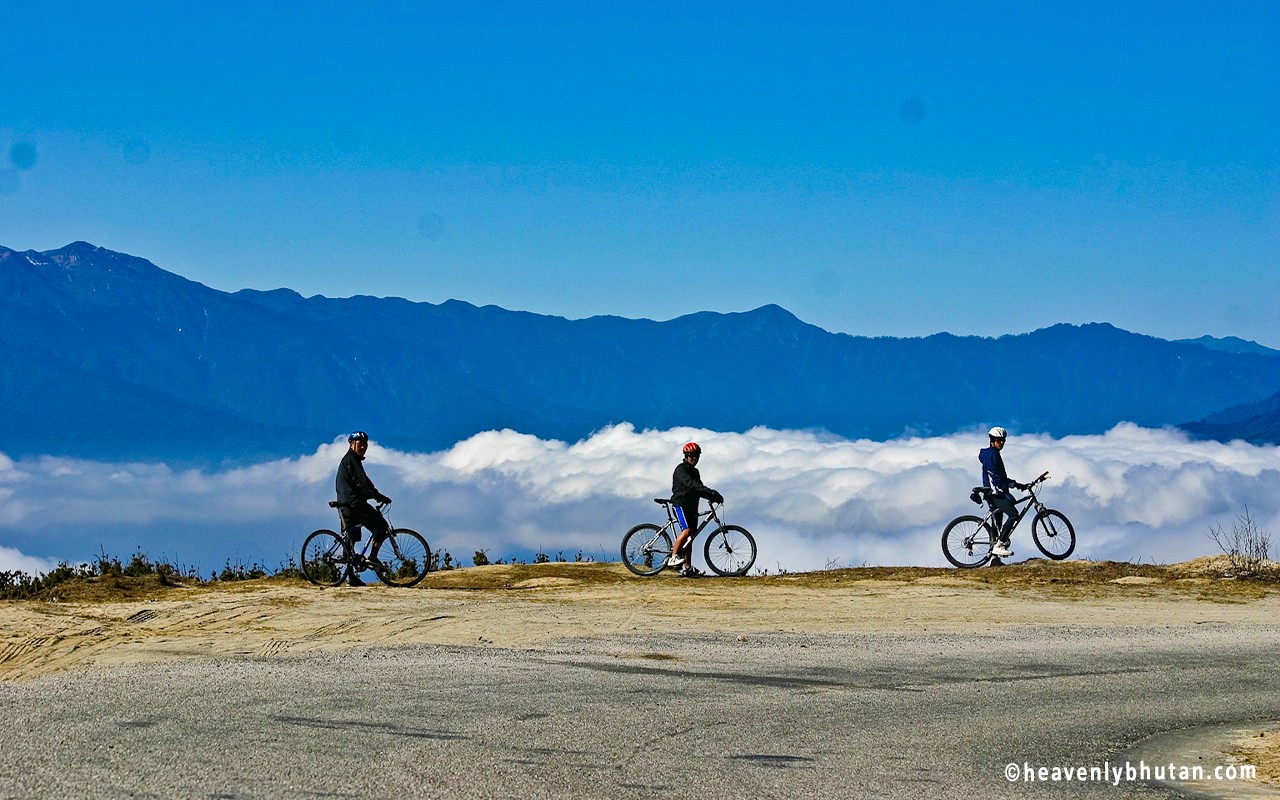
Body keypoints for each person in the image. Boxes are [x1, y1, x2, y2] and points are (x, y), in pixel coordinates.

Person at [335, 431, 392, 586]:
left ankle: (350, 577)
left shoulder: (351, 460)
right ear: (351, 445)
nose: (363, 447)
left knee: (351, 539)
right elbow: (362, 483)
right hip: (354, 504)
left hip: (346, 504)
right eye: (360, 444)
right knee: (381, 527)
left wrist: (375, 494)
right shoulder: (352, 460)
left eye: (365, 445)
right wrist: (378, 496)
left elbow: (364, 482)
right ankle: (373, 557)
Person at [667, 442, 723, 578]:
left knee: (690, 538)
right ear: (686, 456)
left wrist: (712, 495)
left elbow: (699, 488)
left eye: (696, 455)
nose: (694, 458)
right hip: (680, 505)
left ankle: (687, 567)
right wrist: (711, 493)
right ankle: (673, 557)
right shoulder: (681, 469)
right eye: (691, 455)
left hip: (692, 507)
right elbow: (692, 485)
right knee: (686, 531)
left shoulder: (695, 472)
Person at [978, 426, 1026, 559]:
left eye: (1003, 440)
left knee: (997, 523)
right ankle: (999, 545)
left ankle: (994, 558)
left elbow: (999, 477)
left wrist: (1015, 484)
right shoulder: (992, 455)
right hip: (995, 494)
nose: (1002, 443)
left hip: (994, 493)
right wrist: (1012, 484)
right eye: (999, 440)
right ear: (992, 440)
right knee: (1013, 514)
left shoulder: (991, 453)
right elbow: (995, 477)